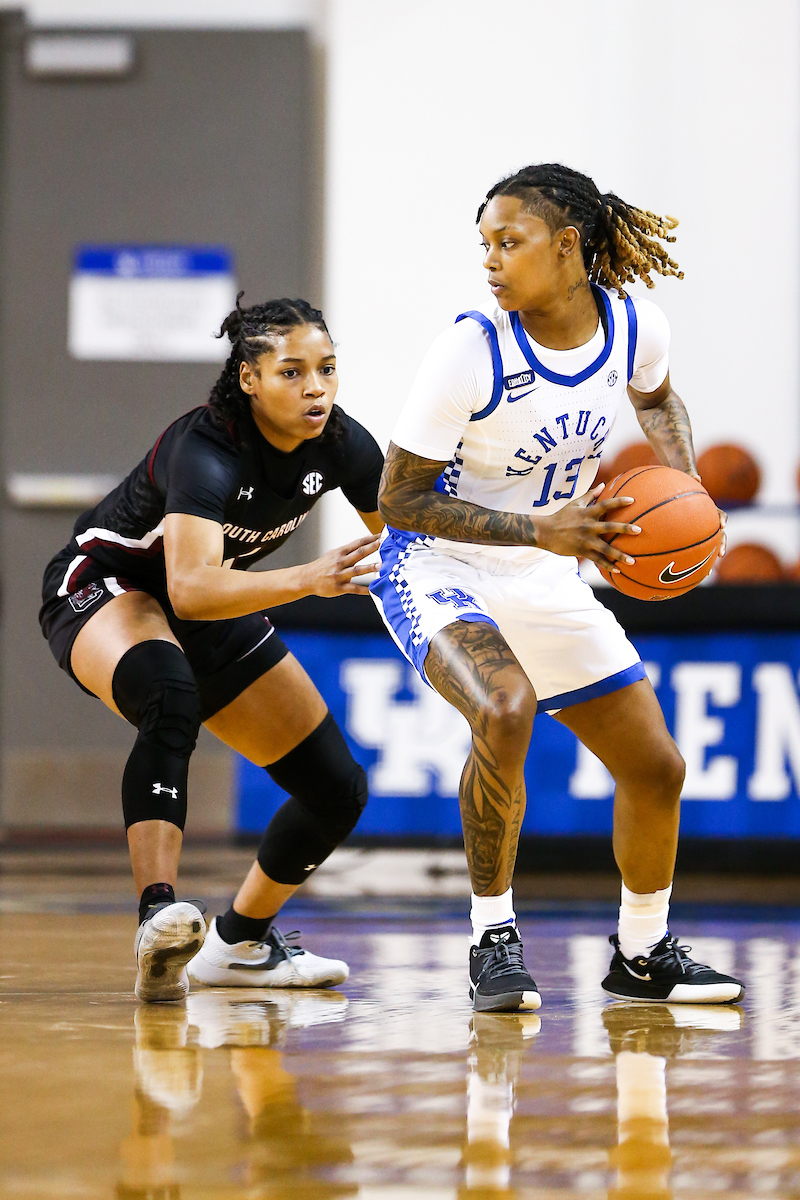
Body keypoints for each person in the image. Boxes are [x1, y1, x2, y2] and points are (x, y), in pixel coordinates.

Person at [372, 163, 744, 1013]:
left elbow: (658, 401)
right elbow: (400, 499)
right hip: (435, 564)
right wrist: (543, 529)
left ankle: (643, 952)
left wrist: (686, 489)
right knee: (504, 708)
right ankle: (492, 937)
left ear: (569, 245)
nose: (491, 261)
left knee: (657, 767)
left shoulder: (635, 328)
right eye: (485, 246)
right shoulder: (470, 349)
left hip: (544, 566)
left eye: (510, 242)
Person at [40, 296, 383, 1003]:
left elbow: (407, 546)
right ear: (251, 379)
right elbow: (190, 589)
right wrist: (310, 580)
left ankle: (240, 943)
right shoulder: (206, 446)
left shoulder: (345, 444)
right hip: (108, 588)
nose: (315, 387)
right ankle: (158, 915)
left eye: (327, 369)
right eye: (292, 372)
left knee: (336, 788)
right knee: (170, 695)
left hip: (212, 597)